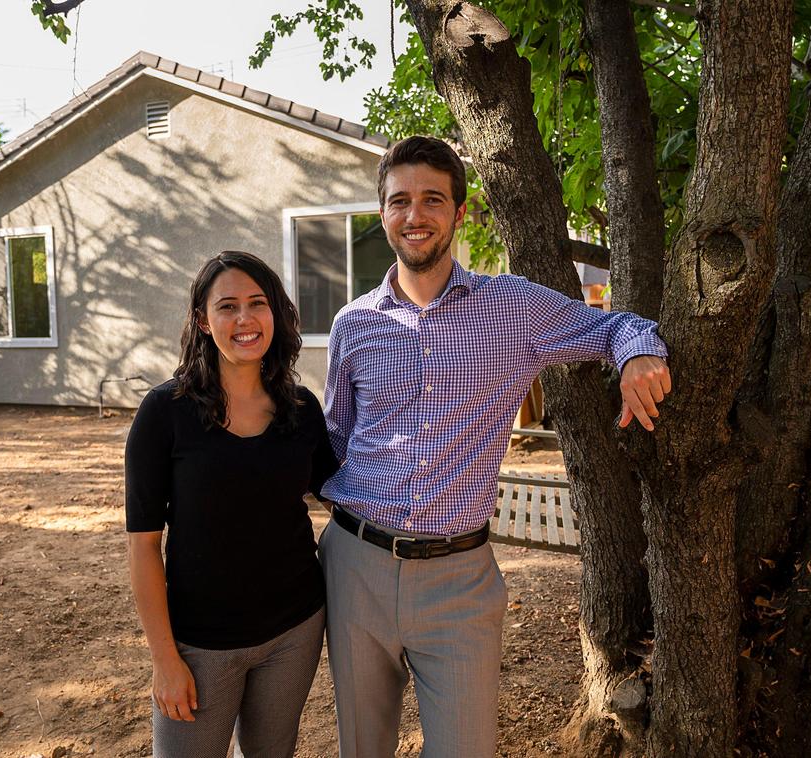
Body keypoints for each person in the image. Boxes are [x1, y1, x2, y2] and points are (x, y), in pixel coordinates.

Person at [320, 136, 672, 758]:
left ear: (460, 212)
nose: (415, 215)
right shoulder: (354, 323)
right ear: (383, 214)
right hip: (355, 565)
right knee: (362, 747)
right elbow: (334, 441)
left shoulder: (512, 308)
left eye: (433, 199)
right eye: (400, 200)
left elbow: (614, 323)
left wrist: (640, 351)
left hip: (459, 577)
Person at [125, 250, 338, 758]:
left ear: (275, 314)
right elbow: (143, 547)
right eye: (227, 306)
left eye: (257, 303)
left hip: (295, 632)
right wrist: (164, 660)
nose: (244, 319)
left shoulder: (301, 409)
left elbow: (347, 496)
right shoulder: (164, 412)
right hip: (200, 645)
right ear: (202, 320)